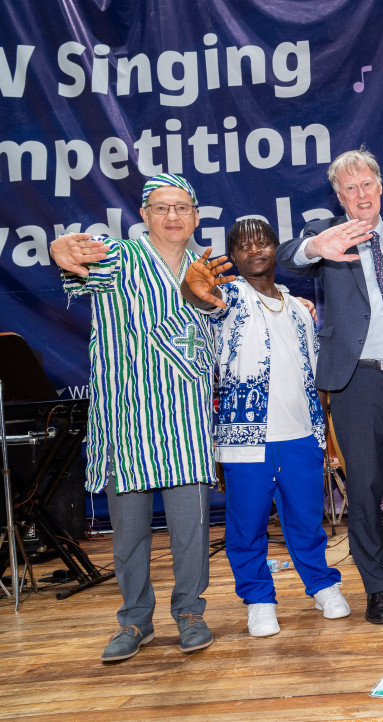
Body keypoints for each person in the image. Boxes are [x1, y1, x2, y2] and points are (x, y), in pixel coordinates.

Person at [48, 174, 216, 662]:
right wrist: (63, 247)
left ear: (195, 216)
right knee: (130, 534)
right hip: (130, 421)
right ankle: (135, 620)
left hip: (184, 420)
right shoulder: (122, 257)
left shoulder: (203, 268)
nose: (172, 216)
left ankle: (189, 613)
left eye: (182, 208)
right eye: (162, 208)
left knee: (190, 530)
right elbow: (77, 261)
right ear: (144, 215)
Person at [275, 148, 383, 626]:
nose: (360, 194)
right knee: (365, 488)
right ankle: (375, 587)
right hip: (358, 381)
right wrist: (315, 248)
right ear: (339, 197)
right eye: (349, 188)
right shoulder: (326, 234)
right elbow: (292, 255)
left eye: (366, 183)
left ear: (380, 185)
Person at [180, 219, 350, 637]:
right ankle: (258, 599)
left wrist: (322, 433)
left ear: (276, 248)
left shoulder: (298, 308)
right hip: (244, 436)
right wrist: (191, 287)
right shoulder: (229, 298)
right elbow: (201, 298)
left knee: (307, 520)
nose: (255, 249)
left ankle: (322, 585)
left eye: (263, 242)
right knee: (247, 524)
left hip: (300, 436)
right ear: (233, 256)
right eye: (244, 245)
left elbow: (314, 374)